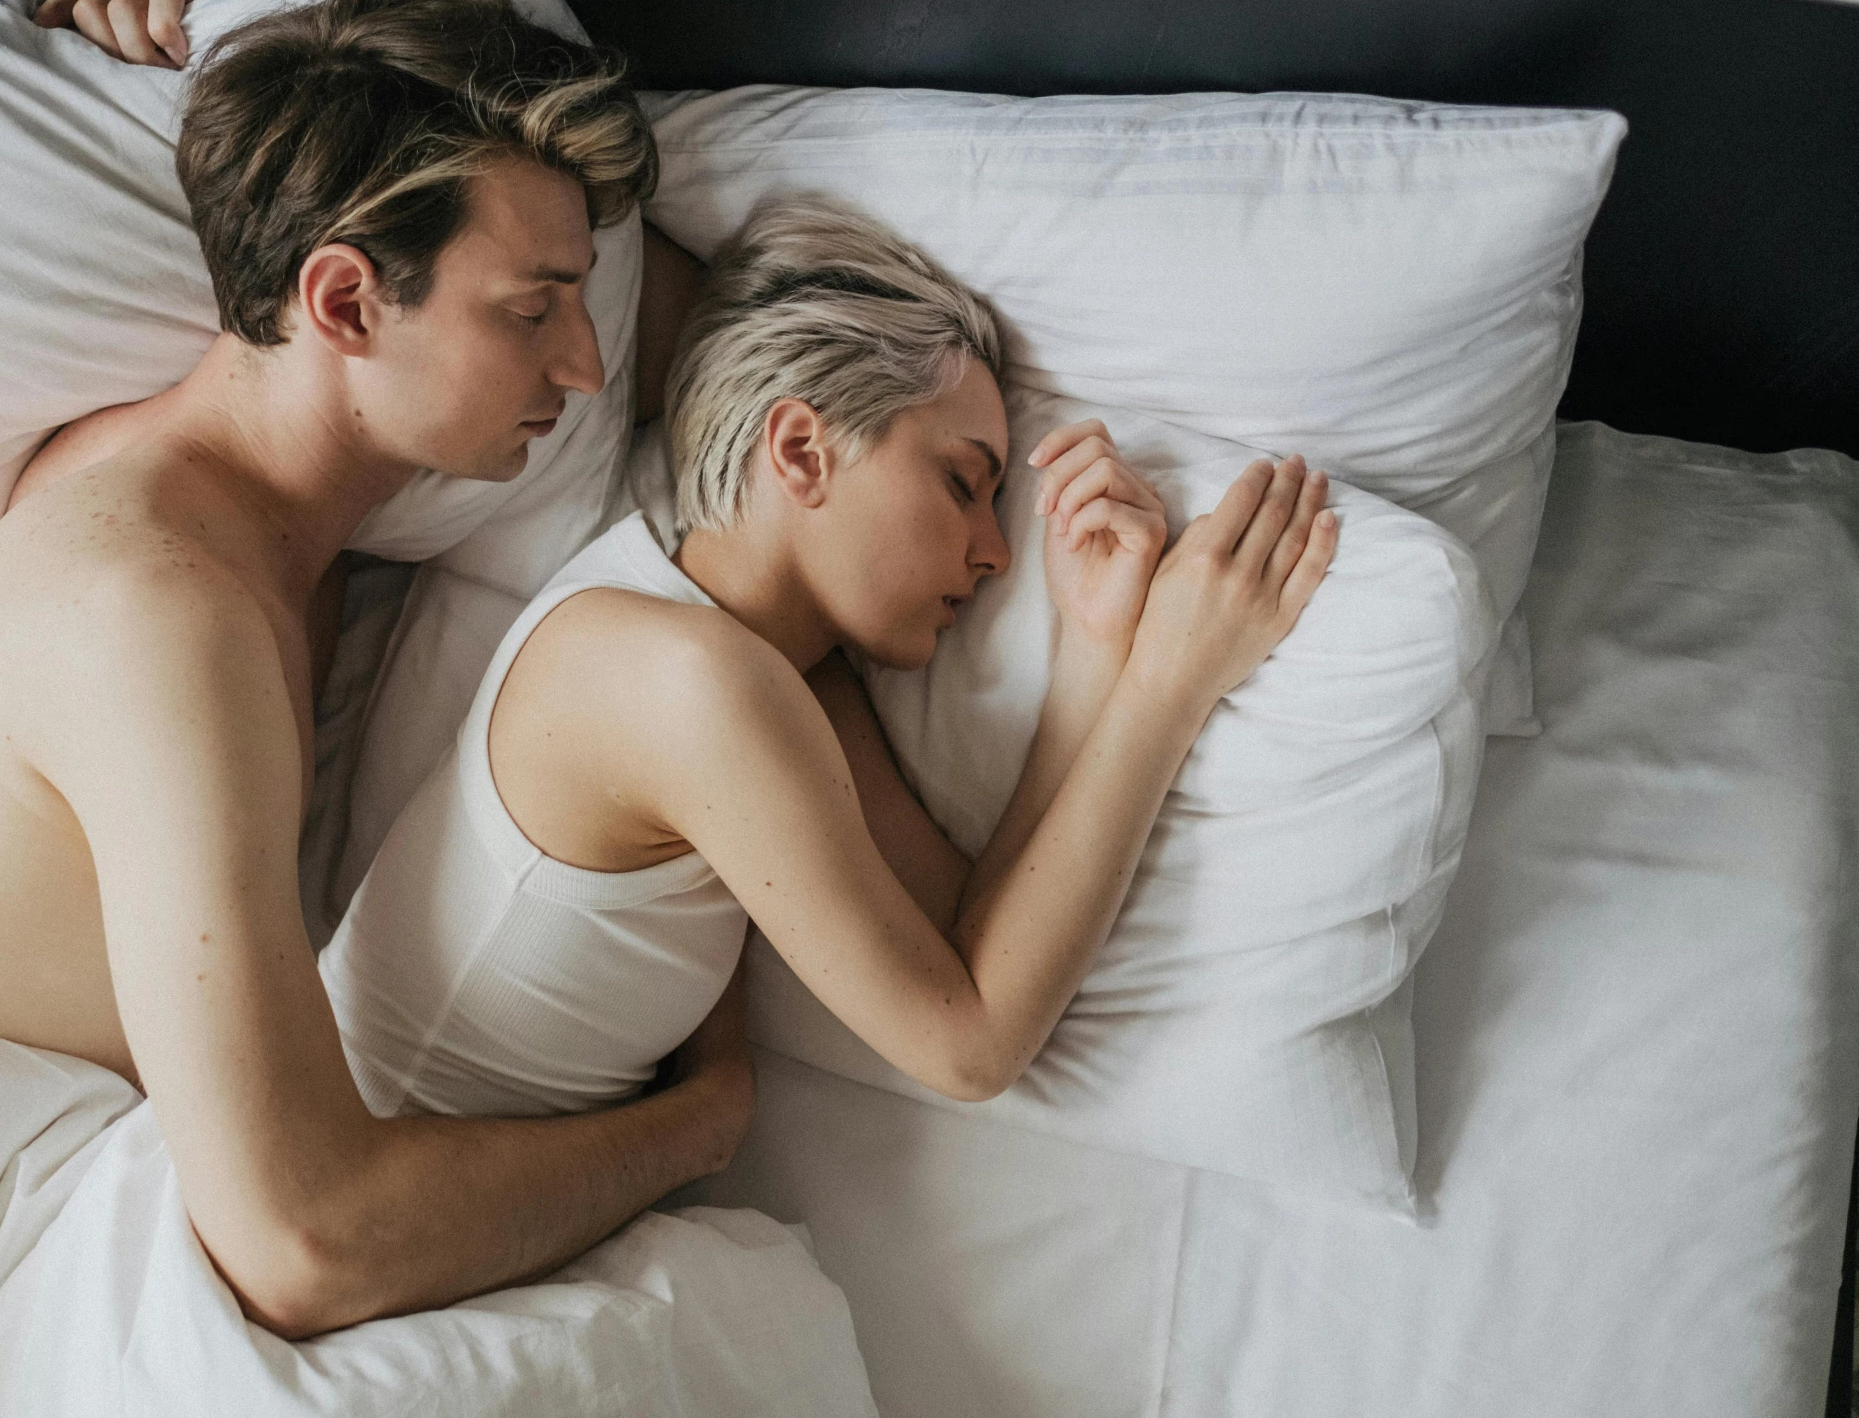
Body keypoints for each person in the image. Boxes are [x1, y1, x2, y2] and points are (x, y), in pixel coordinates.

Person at [0, 0, 754, 1341]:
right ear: (344, 300)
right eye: (532, 311)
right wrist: (700, 1123)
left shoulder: (220, 514)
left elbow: (712, 327)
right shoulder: (165, 611)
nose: (583, 365)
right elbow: (306, 1238)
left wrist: (165, 38)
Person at [316, 194, 1340, 1121]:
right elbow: (973, 1047)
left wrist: (1095, 656)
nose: (993, 552)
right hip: (403, 1173)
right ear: (801, 449)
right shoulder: (687, 679)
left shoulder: (768, 655)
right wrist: (1172, 681)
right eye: (960, 483)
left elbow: (966, 937)